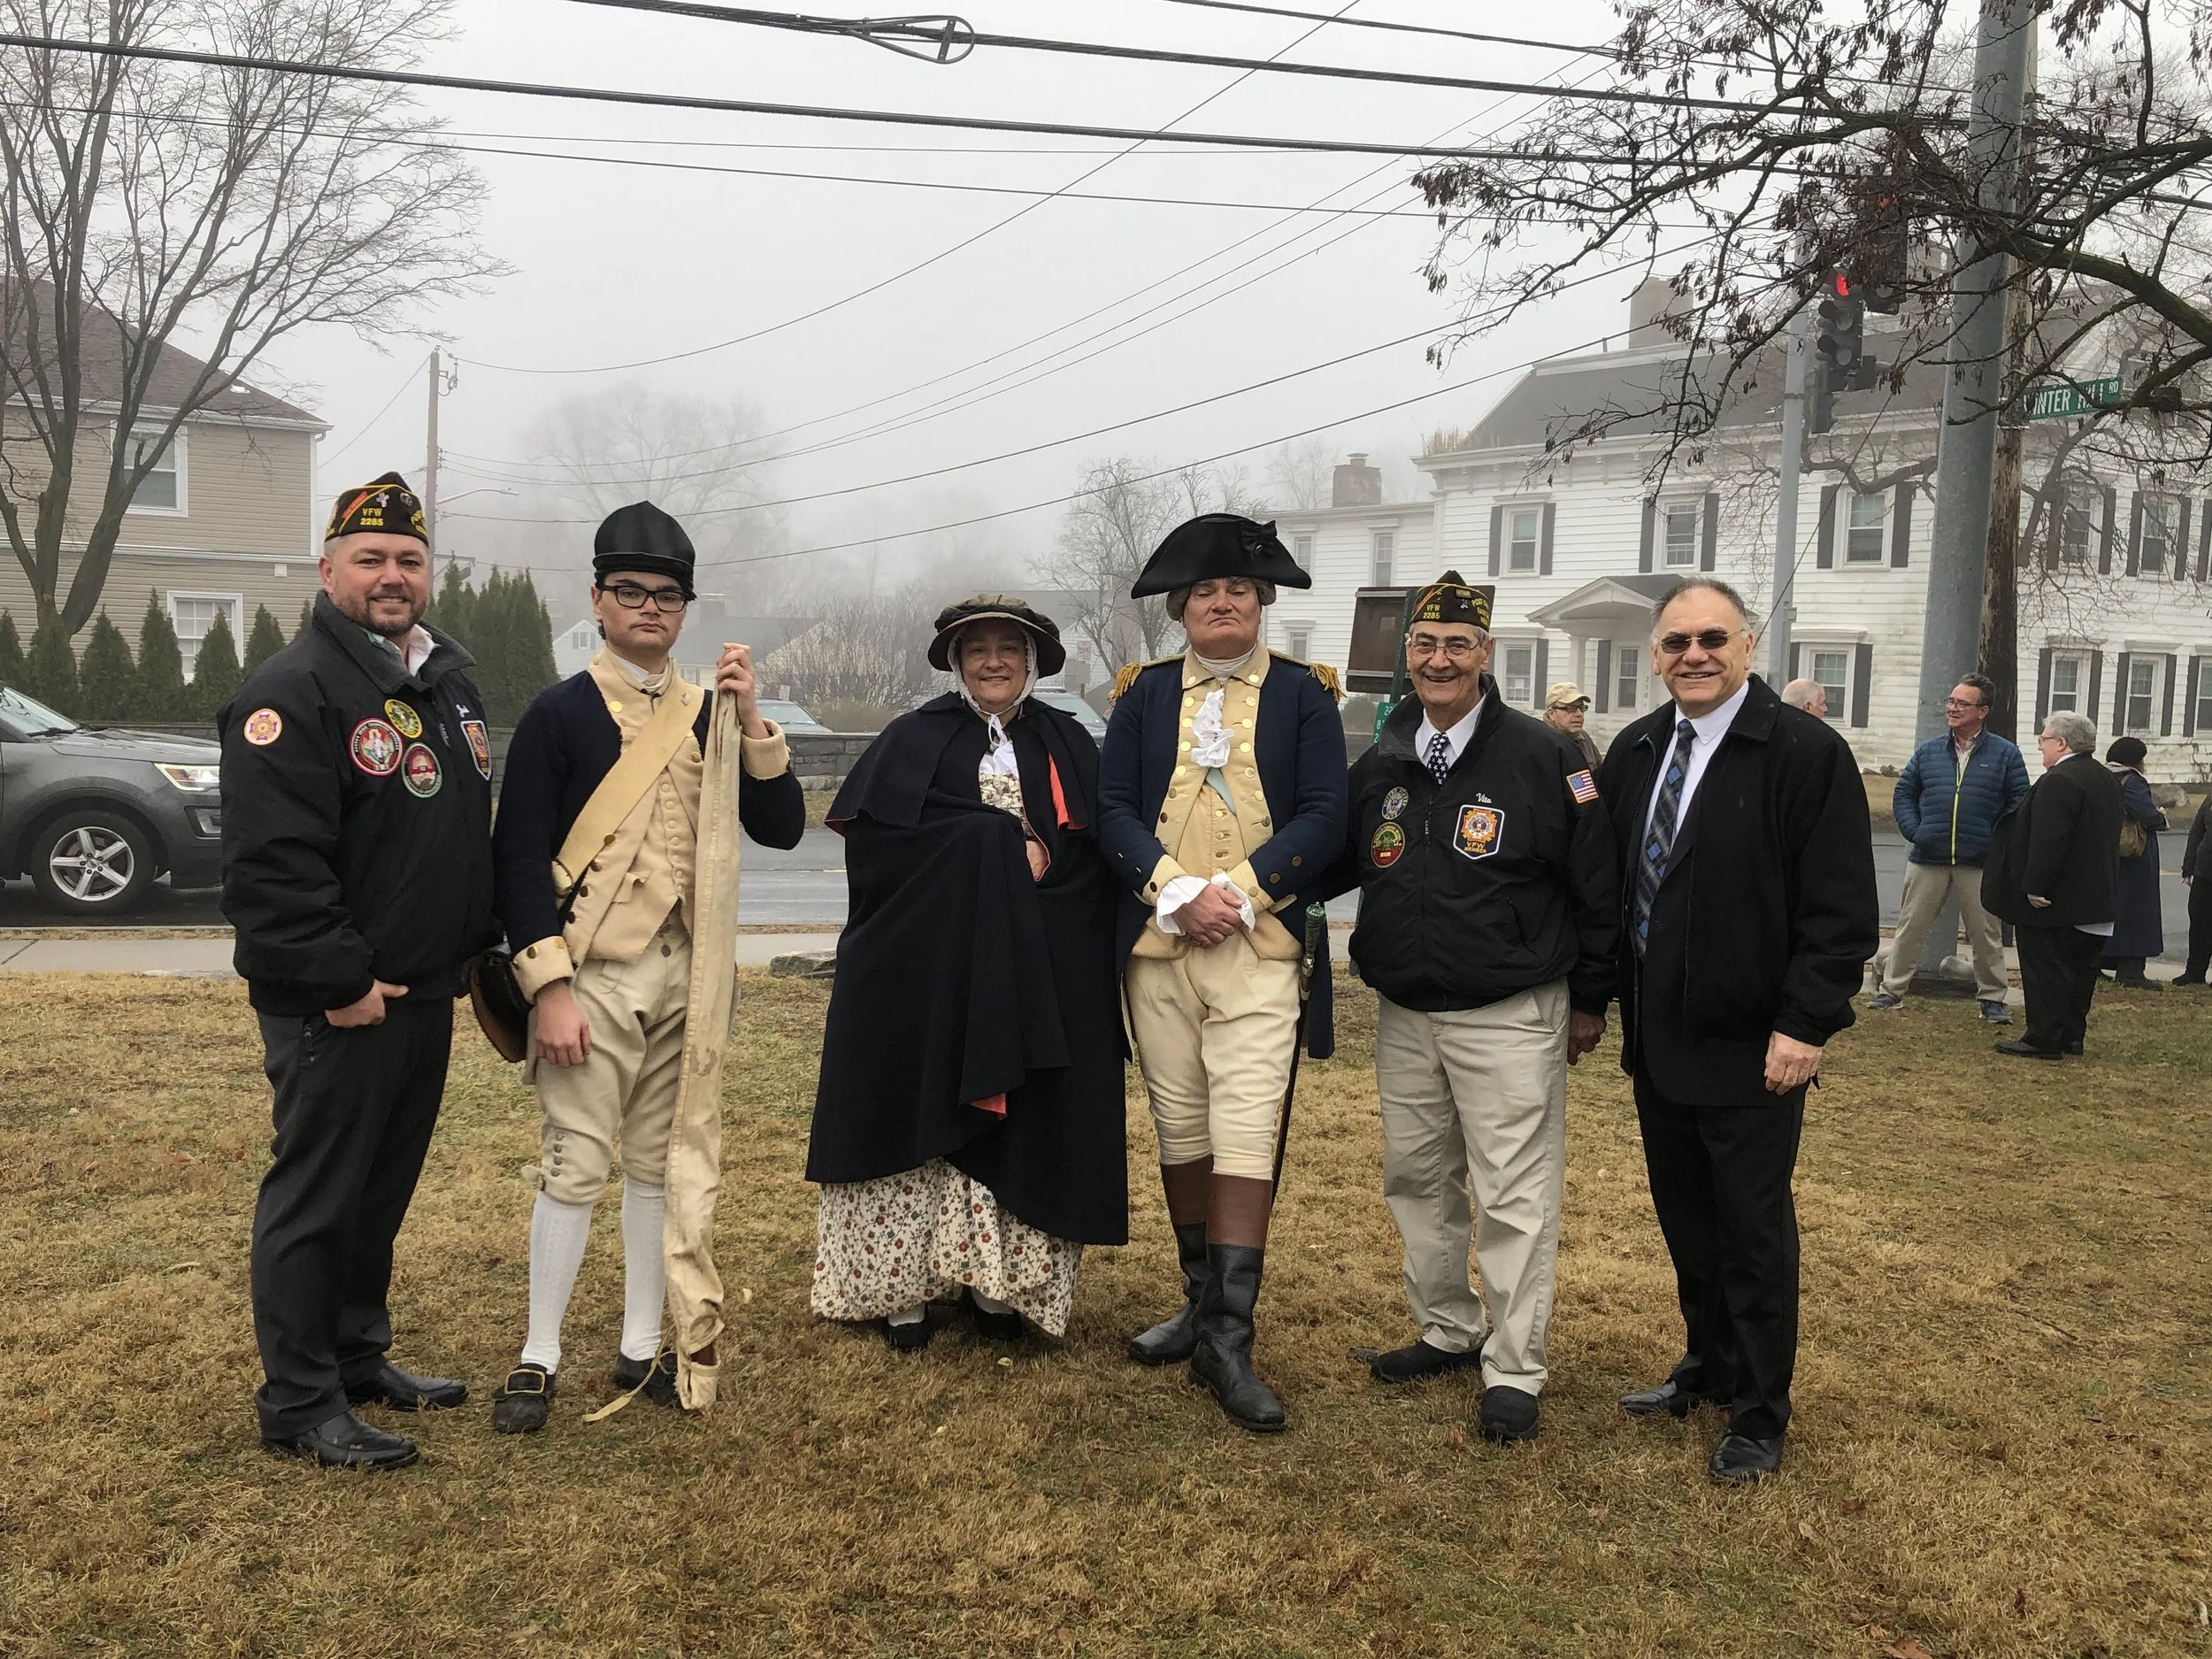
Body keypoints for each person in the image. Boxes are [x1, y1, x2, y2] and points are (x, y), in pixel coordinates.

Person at [488, 502, 805, 1434]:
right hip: (594, 975)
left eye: (667, 596)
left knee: (659, 1169)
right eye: (630, 592)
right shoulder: (558, 713)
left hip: (687, 976)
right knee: (575, 1163)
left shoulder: (708, 711)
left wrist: (752, 719)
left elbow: (782, 827)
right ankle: (538, 1353)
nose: (650, 609)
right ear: (597, 599)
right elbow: (517, 857)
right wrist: (546, 986)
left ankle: (638, 1341)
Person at [219, 472, 495, 1470]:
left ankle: (355, 1354)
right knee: (318, 1199)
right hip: (341, 1004)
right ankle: (298, 1400)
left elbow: (455, 834)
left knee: (378, 1196)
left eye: (409, 561)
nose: (392, 576)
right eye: (370, 559)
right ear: (328, 569)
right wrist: (338, 982)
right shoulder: (290, 694)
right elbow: (273, 865)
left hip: (424, 993)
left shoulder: (444, 684)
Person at [1321, 574, 1617, 1445]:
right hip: (1407, 1011)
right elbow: (1334, 854)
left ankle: (1515, 1368)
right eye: (1424, 645)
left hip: (1509, 1009)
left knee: (1512, 1193)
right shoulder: (1385, 755)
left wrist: (1592, 997)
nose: (1439, 660)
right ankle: (1448, 1327)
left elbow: (1596, 884)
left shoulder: (1543, 754)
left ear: (1485, 656)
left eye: (1458, 646)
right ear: (1406, 656)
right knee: (1416, 1178)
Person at [1597, 577, 1878, 1485]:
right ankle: (1706, 1366)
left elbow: (1838, 910)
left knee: (1752, 1233)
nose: (1695, 655)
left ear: (1748, 645)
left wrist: (1805, 1023)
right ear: (1655, 654)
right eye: (1676, 642)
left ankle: (1757, 1410)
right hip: (1659, 1040)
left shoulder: (1802, 752)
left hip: (1756, 1047)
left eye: (1713, 638)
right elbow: (1610, 890)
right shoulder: (1638, 750)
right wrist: (1591, 1000)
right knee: (1687, 1221)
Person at [805, 596, 1126, 1348]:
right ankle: (904, 1290)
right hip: (931, 964)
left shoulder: (1072, 743)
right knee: (921, 1108)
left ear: (1033, 661)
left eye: (1008, 648)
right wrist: (993, 838)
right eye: (976, 648)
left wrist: (1038, 884)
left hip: (1034, 968)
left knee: (1022, 1116)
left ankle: (995, 1286)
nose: (992, 661)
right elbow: (880, 855)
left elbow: (1097, 855)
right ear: (956, 661)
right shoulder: (909, 739)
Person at [1100, 514, 1347, 1433]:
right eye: (1204, 592)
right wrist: (1171, 893)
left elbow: (1326, 813)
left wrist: (1238, 895)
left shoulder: (1304, 696)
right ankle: (1199, 1307)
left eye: (1237, 591)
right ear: (1180, 609)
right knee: (1182, 1128)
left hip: (1258, 946)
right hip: (1160, 946)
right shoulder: (1142, 694)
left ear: (1262, 603)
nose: (1221, 604)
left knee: (1245, 1131)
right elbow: (1112, 807)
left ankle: (1229, 1341)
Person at [1869, 674, 2030, 1024]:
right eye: (1951, 701)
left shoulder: (2005, 755)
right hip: (1929, 858)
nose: (1953, 708)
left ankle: (1992, 999)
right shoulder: (1929, 751)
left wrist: (1994, 840)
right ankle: (1891, 991)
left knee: (1986, 934)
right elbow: (1904, 793)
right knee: (1911, 927)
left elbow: (2019, 803)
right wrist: (1917, 831)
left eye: (1962, 703)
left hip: (1979, 861)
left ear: (1983, 711)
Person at [1982, 710, 2123, 1059]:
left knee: (2047, 969)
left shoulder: (2059, 780)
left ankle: (2043, 1038)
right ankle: (2071, 1036)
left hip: (2057, 900)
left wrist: (2035, 886)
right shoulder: (2106, 778)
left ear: (2061, 743)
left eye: (2043, 739)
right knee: (2081, 973)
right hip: (2096, 898)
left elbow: (2050, 839)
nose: (2041, 746)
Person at [2099, 736, 2168, 988]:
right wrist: (2161, 818)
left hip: (2106, 852)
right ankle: (2131, 970)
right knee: (2137, 911)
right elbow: (2146, 813)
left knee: (2107, 909)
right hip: (2133, 856)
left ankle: (2097, 961)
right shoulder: (2132, 780)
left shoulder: (2101, 776)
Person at [2174, 791, 2212, 987]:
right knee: (2199, 923)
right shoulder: (2210, 799)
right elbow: (2197, 831)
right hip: (2205, 871)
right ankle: (2195, 972)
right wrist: (2188, 867)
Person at [1542, 682, 1602, 768]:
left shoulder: (1584, 739)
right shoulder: (1541, 742)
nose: (1579, 714)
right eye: (1571, 708)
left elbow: (1600, 775)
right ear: (1552, 714)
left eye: (1582, 708)